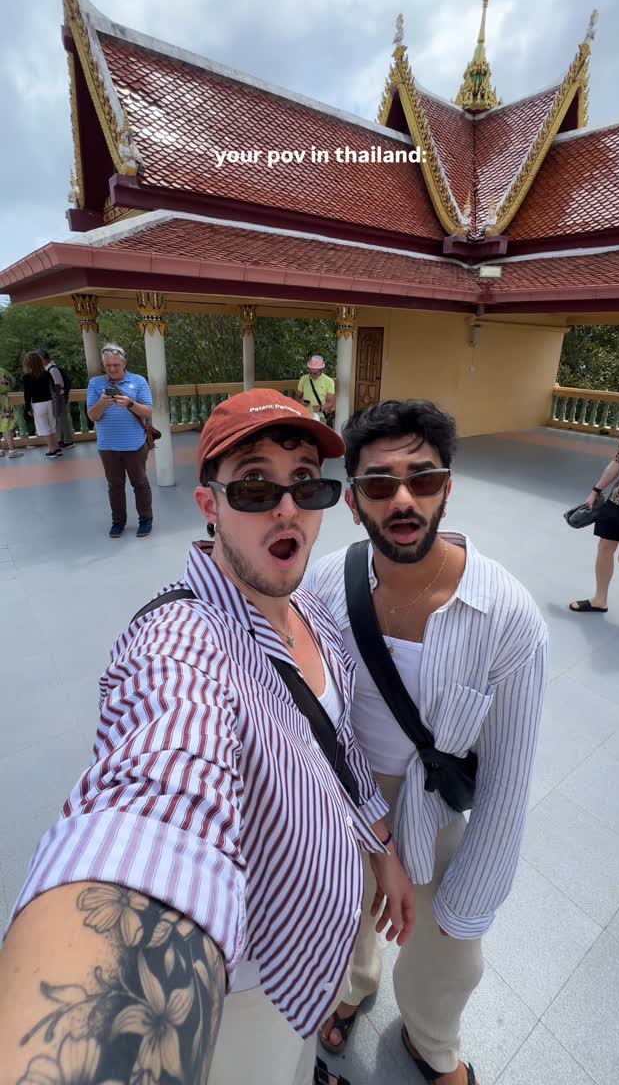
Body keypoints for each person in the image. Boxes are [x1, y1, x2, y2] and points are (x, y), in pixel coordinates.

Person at [0, 389, 415, 1085]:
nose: (287, 508)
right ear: (209, 506)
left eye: (306, 483)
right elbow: (158, 790)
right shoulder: (181, 644)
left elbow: (338, 747)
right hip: (252, 981)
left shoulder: (309, 608)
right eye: (254, 486)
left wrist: (384, 848)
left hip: (319, 941)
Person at [305, 399, 548, 1085]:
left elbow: (508, 778)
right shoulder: (326, 583)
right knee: (344, 919)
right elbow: (317, 717)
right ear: (354, 502)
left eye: (424, 478)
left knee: (449, 957)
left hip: (434, 803)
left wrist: (469, 904)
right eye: (380, 484)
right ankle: (353, 986)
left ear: (448, 488)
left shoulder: (505, 615)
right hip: (344, 795)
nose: (404, 499)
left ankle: (431, 1042)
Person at [570, 413, 619, 612]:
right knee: (605, 547)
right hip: (617, 499)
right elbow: (618, 461)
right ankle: (600, 600)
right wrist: (596, 490)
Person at [87, 342, 154, 538]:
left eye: (116, 365)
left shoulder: (139, 381)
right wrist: (102, 403)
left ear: (124, 363)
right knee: (115, 486)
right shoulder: (95, 384)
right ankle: (118, 522)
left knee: (140, 483)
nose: (112, 369)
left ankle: (146, 520)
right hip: (108, 446)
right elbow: (92, 416)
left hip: (135, 444)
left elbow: (148, 411)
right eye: (108, 365)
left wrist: (130, 404)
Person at [22, 351, 61, 458]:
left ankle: (52, 450)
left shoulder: (27, 377)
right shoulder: (47, 373)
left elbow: (27, 395)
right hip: (50, 402)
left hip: (38, 404)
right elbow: (53, 388)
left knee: (44, 428)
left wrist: (28, 408)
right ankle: (57, 448)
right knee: (52, 426)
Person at [38, 349, 75, 449]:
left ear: (42, 358)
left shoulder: (52, 369)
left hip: (59, 397)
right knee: (59, 420)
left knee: (63, 419)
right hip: (57, 397)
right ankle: (62, 439)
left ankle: (68, 440)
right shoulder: (49, 369)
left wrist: (52, 395)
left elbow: (58, 385)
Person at [296, 355, 336, 424]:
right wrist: (301, 402)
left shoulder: (329, 381)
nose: (311, 374)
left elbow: (331, 403)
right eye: (310, 372)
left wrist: (320, 408)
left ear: (321, 370)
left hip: (321, 417)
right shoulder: (303, 379)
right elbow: (297, 397)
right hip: (305, 415)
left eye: (314, 373)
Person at [0, 367, 24, 459]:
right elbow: (13, 382)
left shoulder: (2, 370)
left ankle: (1, 450)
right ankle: (11, 450)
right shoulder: (2, 370)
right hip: (4, 402)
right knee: (8, 425)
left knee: (5, 424)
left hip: (3, 401)